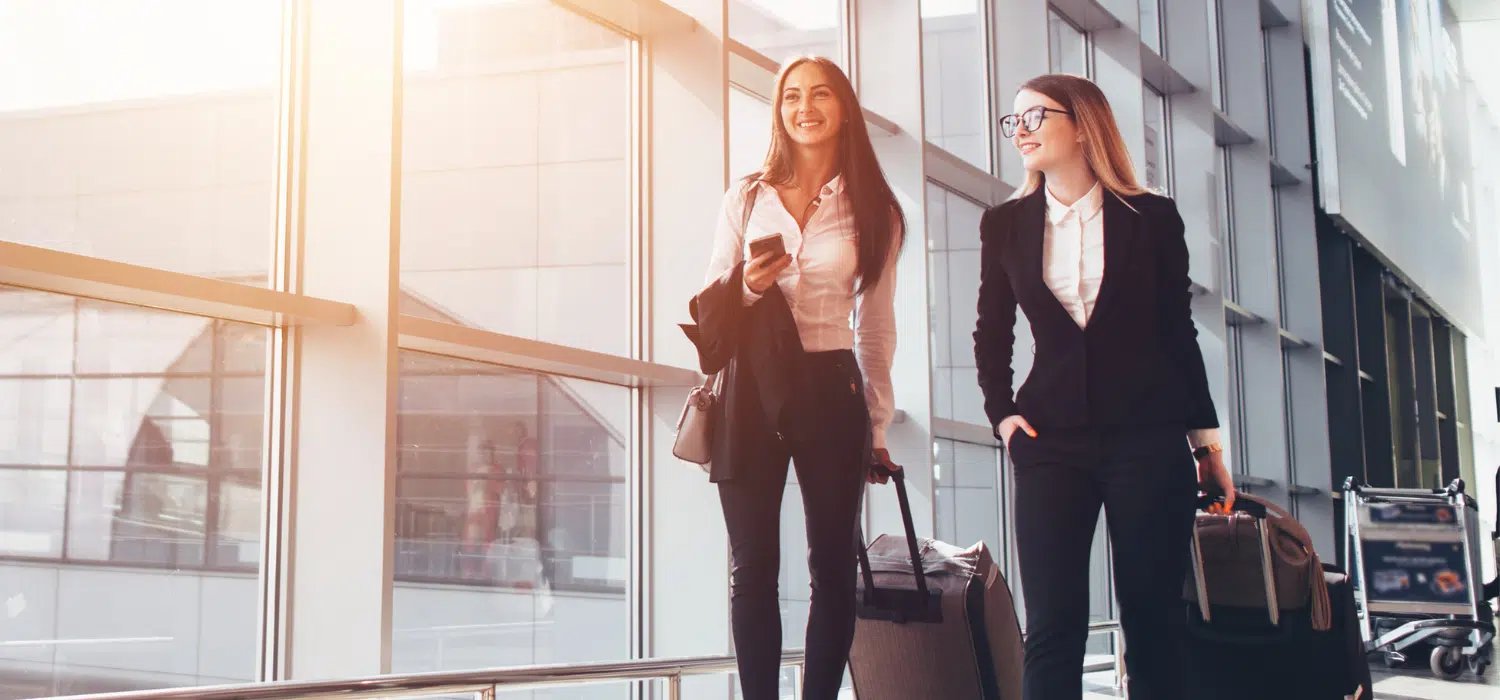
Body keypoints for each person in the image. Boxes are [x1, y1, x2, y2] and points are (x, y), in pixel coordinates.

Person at [973, 73, 1237, 700]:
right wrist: (1002, 416)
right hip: (1048, 443)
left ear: (1082, 121)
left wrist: (1207, 447)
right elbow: (992, 331)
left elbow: (1178, 333)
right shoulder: (1005, 223)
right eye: (1014, 121)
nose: (1022, 131)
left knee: (1153, 623)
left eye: (1035, 116)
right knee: (1052, 628)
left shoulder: (1150, 217)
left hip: (1147, 440)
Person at [692, 55, 904, 700]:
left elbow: (876, 326)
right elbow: (707, 301)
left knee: (833, 568)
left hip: (829, 387)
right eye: (790, 96)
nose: (803, 106)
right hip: (750, 388)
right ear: (779, 110)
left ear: (843, 107)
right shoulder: (748, 194)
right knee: (751, 567)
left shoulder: (876, 211)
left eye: (818, 94)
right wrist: (751, 288)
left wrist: (878, 423)